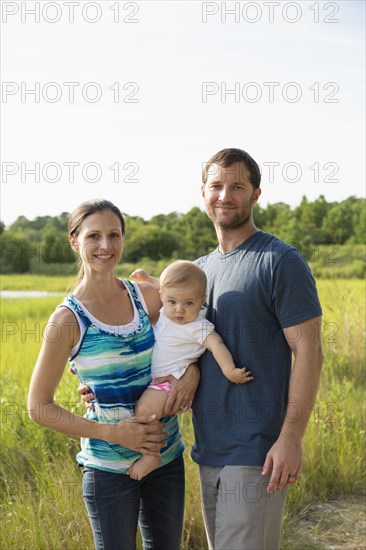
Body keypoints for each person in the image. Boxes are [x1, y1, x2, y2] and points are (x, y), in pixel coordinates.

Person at [79, 148, 323, 550]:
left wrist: (291, 438)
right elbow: (175, 344)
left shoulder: (280, 261)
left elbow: (310, 352)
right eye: (216, 185)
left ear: (256, 193)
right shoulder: (198, 271)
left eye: (237, 186)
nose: (225, 195)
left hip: (257, 449)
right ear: (203, 192)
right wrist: (99, 385)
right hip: (206, 448)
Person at [27, 198, 199, 550]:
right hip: (108, 469)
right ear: (74, 242)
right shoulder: (67, 320)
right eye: (93, 236)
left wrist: (192, 373)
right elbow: (38, 407)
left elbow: (193, 335)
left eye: (114, 235)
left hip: (165, 458)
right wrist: (114, 432)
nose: (105, 246)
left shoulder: (149, 297)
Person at [127, 260, 253, 480]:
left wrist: (230, 370)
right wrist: (148, 279)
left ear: (201, 301)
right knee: (142, 412)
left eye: (188, 303)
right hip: (156, 380)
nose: (179, 309)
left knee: (145, 412)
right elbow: (166, 286)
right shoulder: (167, 311)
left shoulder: (197, 327)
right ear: (163, 296)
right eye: (172, 302)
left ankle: (151, 456)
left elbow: (217, 345)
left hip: (170, 383)